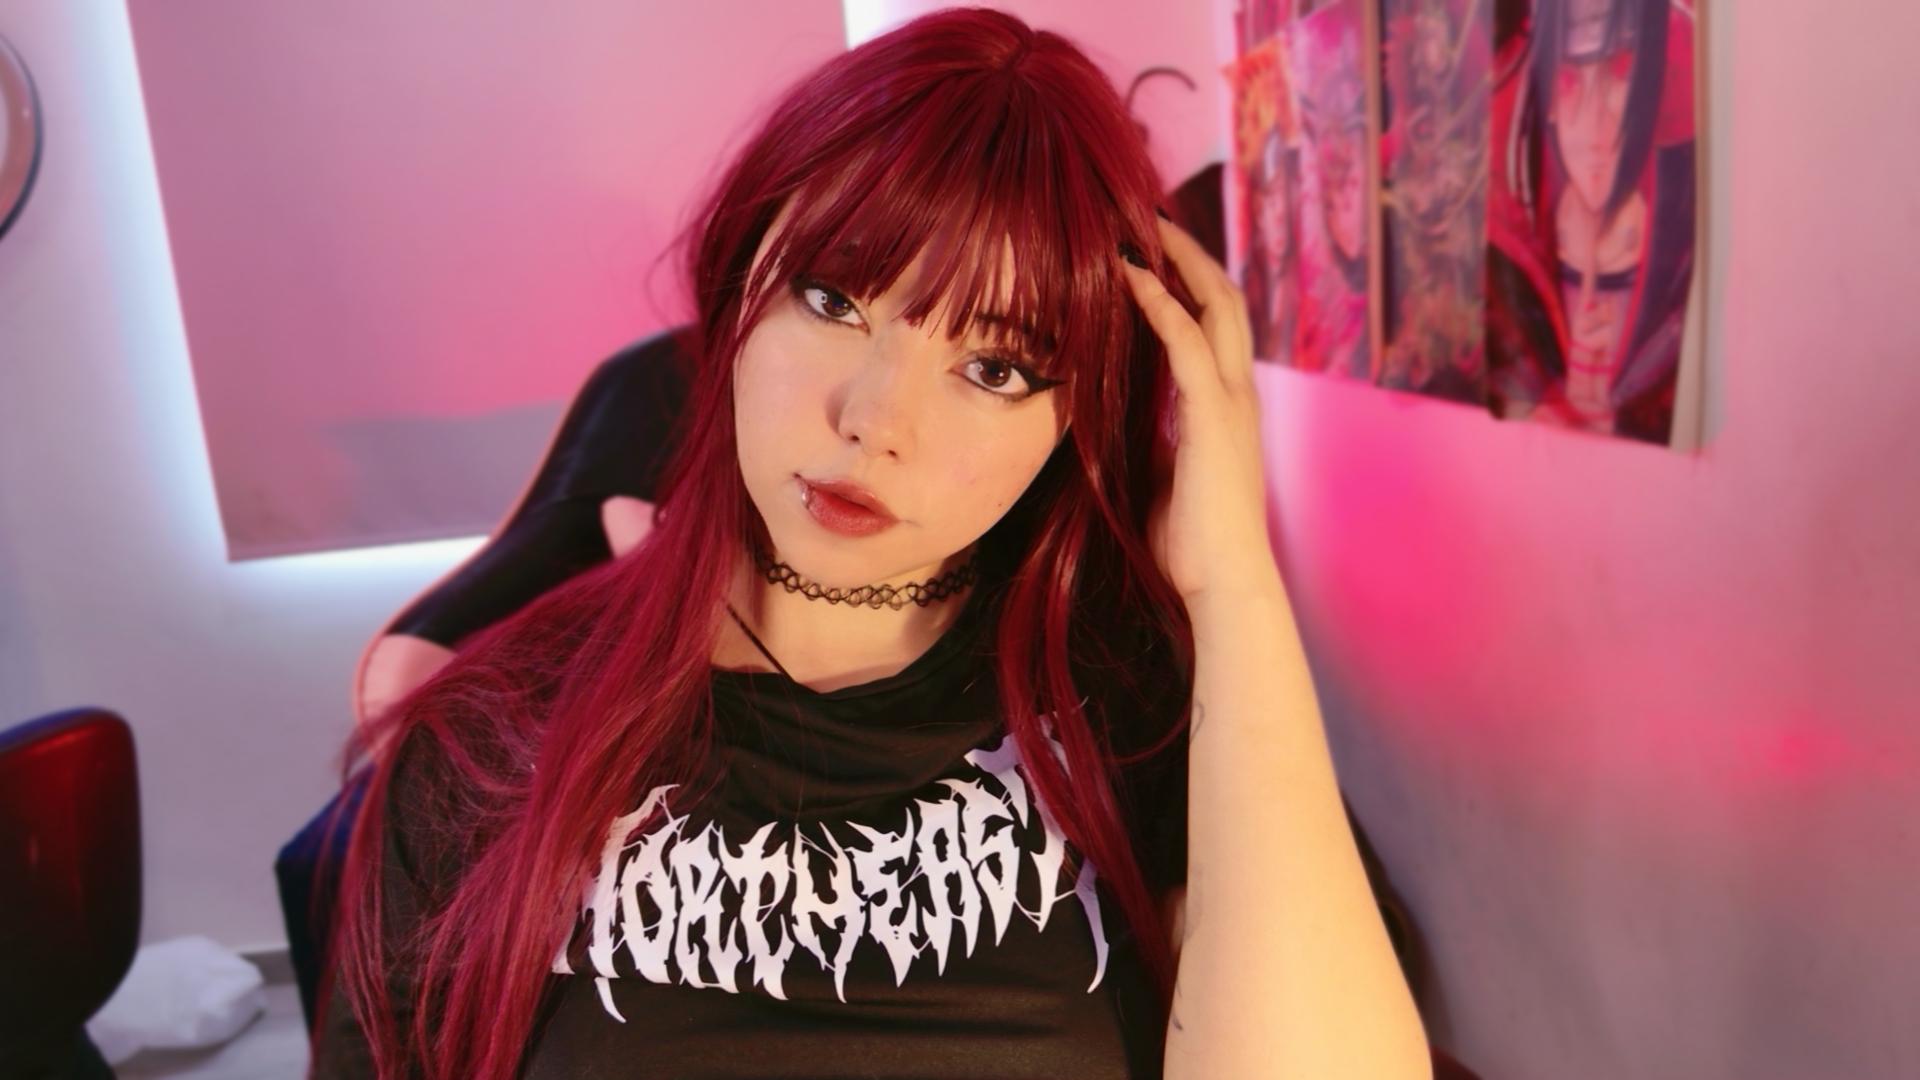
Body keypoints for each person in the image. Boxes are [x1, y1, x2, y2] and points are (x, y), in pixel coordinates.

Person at [312, 9, 1431, 1079]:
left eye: (994, 368)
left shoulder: (1136, 719)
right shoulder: (495, 742)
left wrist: (1232, 586)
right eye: (832, 300)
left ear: (1076, 417)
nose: (876, 421)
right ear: (739, 289)